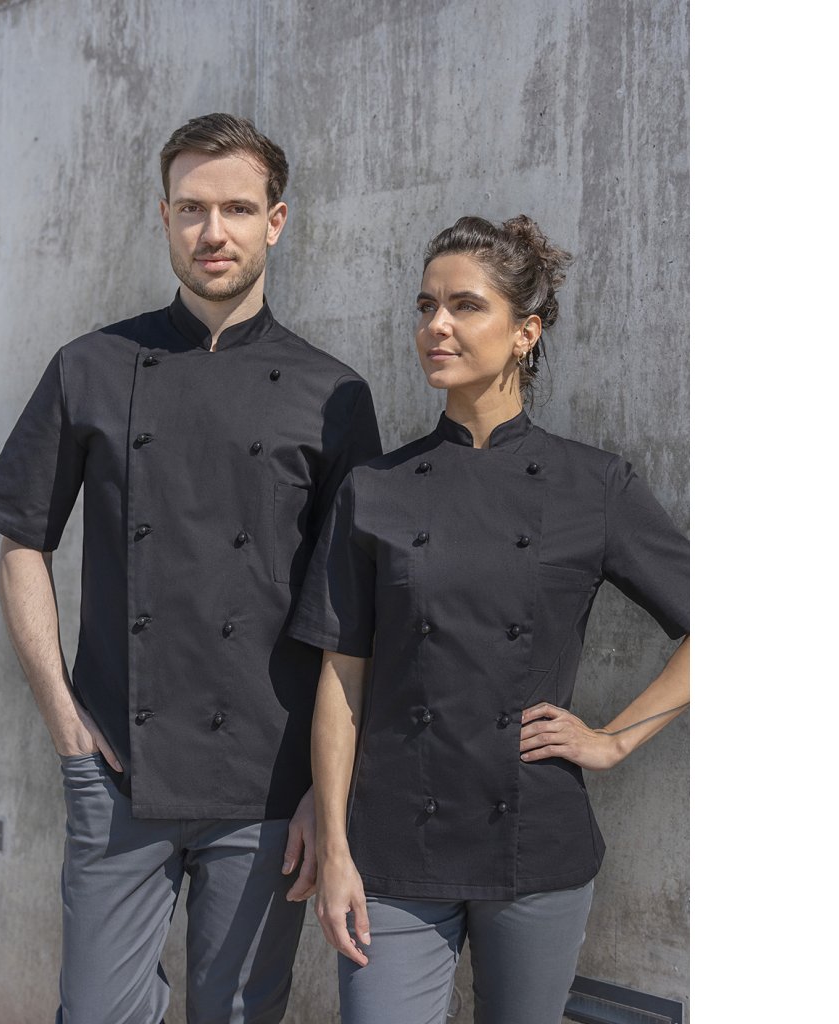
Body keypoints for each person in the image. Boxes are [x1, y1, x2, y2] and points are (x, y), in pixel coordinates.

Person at [0, 112, 381, 1024]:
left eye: (238, 208)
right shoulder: (90, 365)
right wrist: (64, 719)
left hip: (270, 782)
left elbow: (351, 616)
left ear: (276, 221)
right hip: (118, 767)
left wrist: (328, 791)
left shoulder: (334, 394)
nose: (213, 231)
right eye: (192, 208)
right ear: (164, 217)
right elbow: (22, 543)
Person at [288, 215, 689, 1024]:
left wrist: (614, 739)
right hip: (393, 845)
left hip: (534, 840)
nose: (435, 325)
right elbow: (343, 680)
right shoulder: (375, 488)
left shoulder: (593, 485)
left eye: (464, 306)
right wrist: (334, 845)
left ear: (524, 334)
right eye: (425, 306)